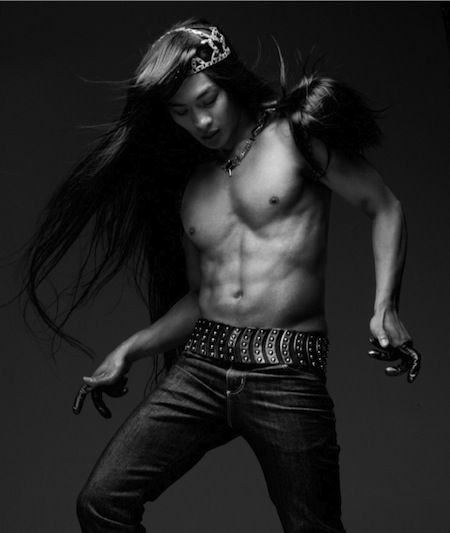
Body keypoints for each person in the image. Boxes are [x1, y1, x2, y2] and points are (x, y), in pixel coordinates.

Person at [22, 18, 421, 533]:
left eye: (207, 100)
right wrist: (130, 349)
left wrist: (385, 307)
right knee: (101, 503)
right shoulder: (190, 182)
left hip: (286, 370)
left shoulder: (295, 136)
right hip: (202, 368)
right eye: (181, 112)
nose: (201, 121)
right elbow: (200, 297)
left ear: (229, 82)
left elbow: (384, 206)